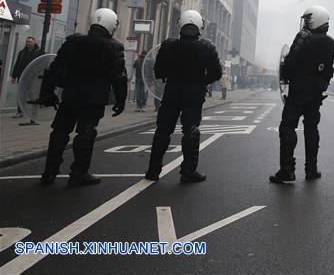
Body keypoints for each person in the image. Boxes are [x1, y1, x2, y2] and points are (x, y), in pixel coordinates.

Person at [36, 9, 127, 186]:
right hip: (94, 97)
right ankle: (78, 172)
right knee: (85, 132)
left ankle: (49, 172)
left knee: (60, 131)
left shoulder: (73, 42)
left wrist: (49, 92)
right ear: (111, 25)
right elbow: (119, 77)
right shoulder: (113, 47)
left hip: (71, 94)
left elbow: (54, 69)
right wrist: (120, 100)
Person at [144, 10, 222, 183]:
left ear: (180, 24)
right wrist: (202, 81)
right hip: (194, 94)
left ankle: (153, 170)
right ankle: (188, 171)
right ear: (199, 26)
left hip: (172, 91)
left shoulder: (168, 45)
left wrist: (168, 76)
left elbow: (157, 71)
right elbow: (216, 72)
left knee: (163, 130)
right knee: (191, 131)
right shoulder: (207, 47)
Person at [270, 6, 334, 183]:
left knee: (288, 127)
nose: (305, 23)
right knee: (312, 128)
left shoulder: (303, 37)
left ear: (315, 20)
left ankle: (287, 170)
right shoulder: (331, 43)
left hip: (298, 90)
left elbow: (290, 64)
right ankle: (311, 170)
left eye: (308, 20)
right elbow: (329, 70)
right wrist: (321, 85)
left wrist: (287, 75)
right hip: (316, 93)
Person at [11, 36, 42, 121]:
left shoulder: (39, 53)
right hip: (22, 76)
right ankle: (20, 111)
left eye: (30, 42)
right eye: (27, 42)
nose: (28, 43)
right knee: (20, 93)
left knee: (32, 94)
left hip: (33, 78)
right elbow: (17, 64)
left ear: (34, 42)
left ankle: (33, 111)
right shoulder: (22, 53)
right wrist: (14, 76)